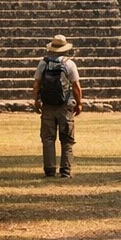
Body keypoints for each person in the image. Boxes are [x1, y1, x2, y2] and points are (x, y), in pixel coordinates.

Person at [32, 34, 83, 178]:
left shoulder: (44, 63)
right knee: (66, 139)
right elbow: (76, 86)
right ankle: (65, 170)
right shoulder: (69, 64)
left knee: (48, 138)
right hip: (65, 105)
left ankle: (49, 169)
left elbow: (36, 85)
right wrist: (79, 103)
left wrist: (36, 101)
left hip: (48, 105)